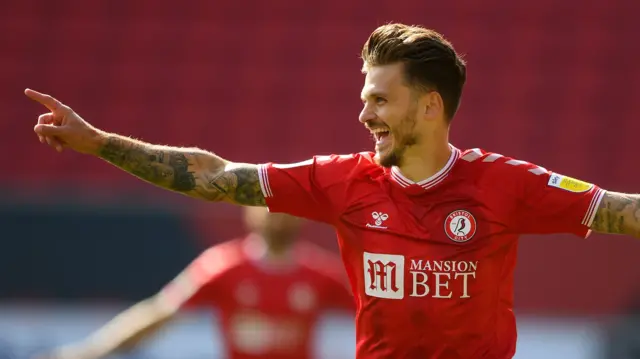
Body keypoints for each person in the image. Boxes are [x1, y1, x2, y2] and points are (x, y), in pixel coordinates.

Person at [25, 22, 640, 359]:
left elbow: (620, 214)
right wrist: (100, 142)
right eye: (362, 96)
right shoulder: (342, 181)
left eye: (379, 99)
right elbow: (213, 177)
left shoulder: (506, 185)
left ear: (429, 106)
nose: (363, 112)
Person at [37, 207, 354, 359]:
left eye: (286, 208)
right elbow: (160, 311)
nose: (277, 217)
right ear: (249, 213)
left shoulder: (320, 274)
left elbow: (375, 313)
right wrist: (93, 349)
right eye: (267, 207)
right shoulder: (223, 266)